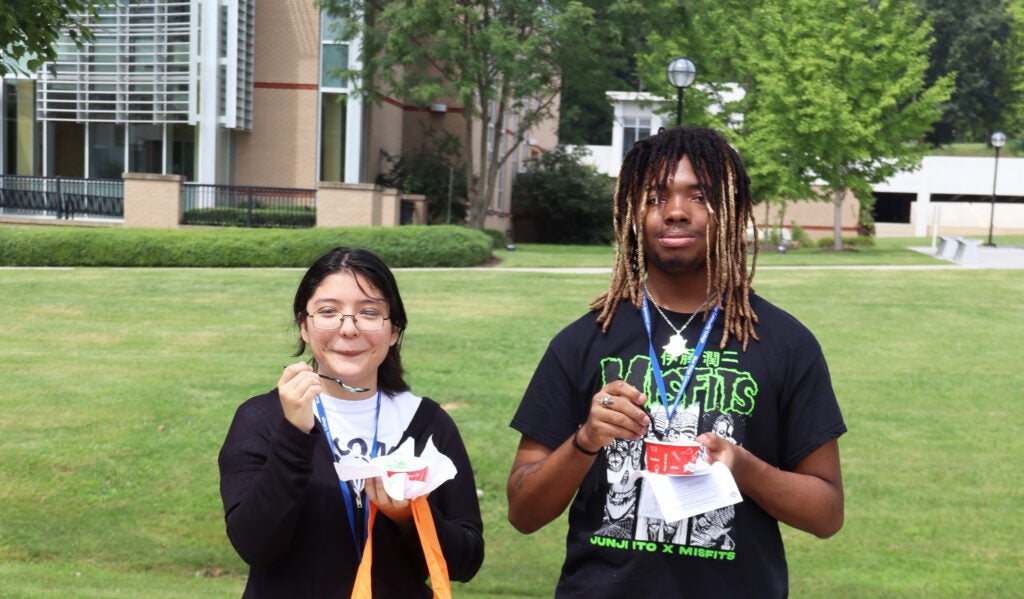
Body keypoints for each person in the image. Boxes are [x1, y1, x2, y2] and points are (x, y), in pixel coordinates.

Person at [507, 126, 845, 597]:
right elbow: (523, 512)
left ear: (733, 211)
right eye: (654, 197)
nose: (675, 212)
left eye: (699, 196)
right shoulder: (582, 341)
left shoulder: (786, 344)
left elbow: (827, 513)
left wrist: (744, 468)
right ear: (631, 213)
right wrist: (585, 441)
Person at [219, 246, 484, 598]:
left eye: (369, 312)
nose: (348, 329)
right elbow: (255, 545)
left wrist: (408, 517)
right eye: (328, 311)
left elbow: (467, 560)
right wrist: (295, 435)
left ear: (394, 331)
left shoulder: (426, 422)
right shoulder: (262, 419)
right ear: (304, 325)